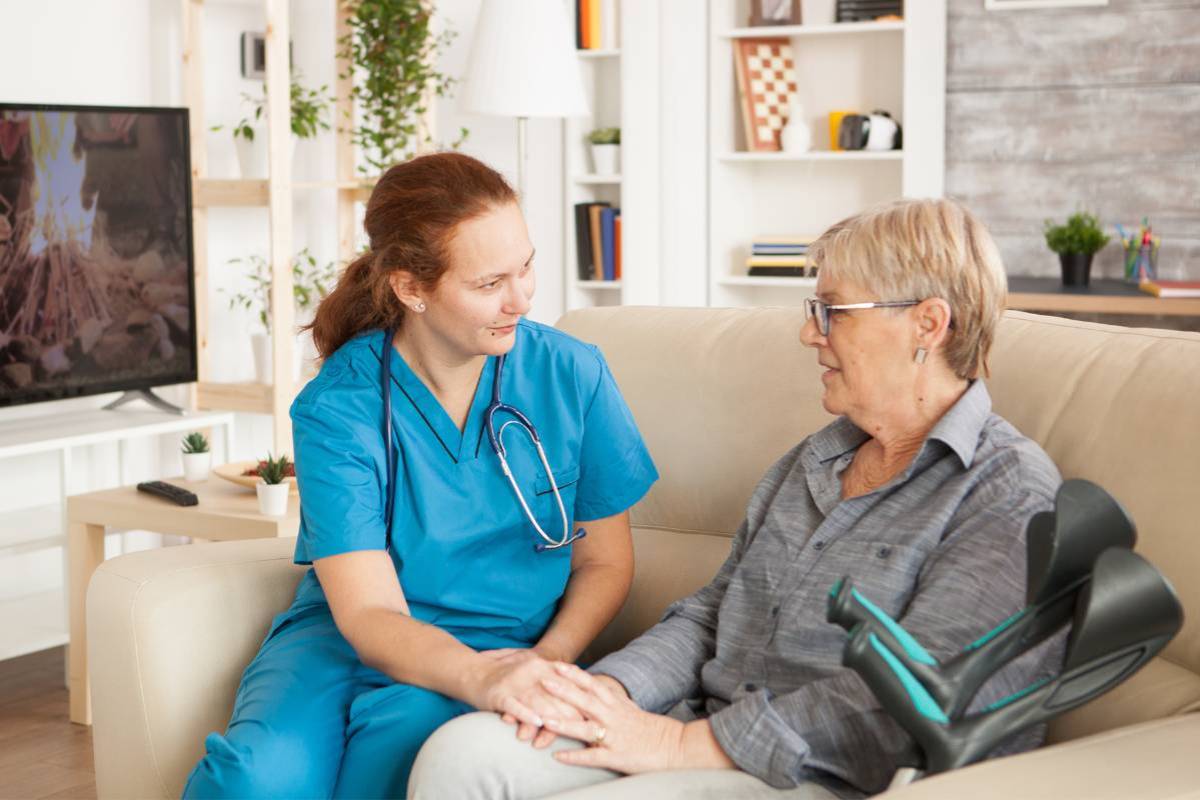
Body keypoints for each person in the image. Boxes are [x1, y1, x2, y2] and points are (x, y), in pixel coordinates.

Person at [409, 198, 1065, 799]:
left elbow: (918, 699)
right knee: (460, 756)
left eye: (832, 311)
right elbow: (712, 615)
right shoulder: (815, 460)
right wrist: (602, 692)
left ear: (928, 323)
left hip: (818, 775)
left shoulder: (1006, 492)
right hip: (697, 728)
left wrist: (680, 744)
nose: (811, 334)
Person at [182, 152, 658, 799]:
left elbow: (606, 561)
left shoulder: (572, 373)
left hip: (501, 644)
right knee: (254, 780)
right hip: (345, 641)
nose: (521, 298)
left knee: (389, 767)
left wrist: (541, 666)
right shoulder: (341, 405)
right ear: (412, 288)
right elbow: (369, 611)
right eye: (490, 283)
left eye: (525, 267)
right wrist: (480, 679)